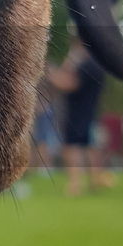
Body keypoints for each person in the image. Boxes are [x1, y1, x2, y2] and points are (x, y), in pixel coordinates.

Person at [49, 41, 111, 196]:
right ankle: (96, 179)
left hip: (77, 113)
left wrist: (49, 71)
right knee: (90, 146)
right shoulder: (99, 64)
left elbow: (68, 83)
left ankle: (75, 184)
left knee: (72, 146)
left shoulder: (86, 65)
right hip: (91, 111)